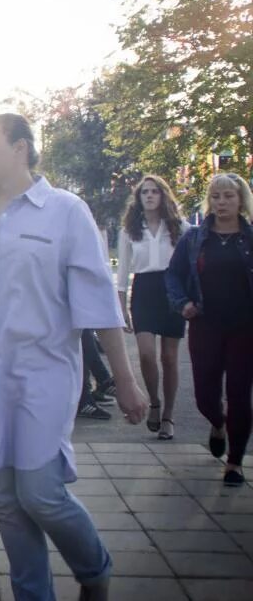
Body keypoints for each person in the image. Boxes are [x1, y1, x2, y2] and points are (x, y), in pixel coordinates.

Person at [0, 113, 146, 601]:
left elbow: (98, 303)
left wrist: (124, 379)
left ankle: (94, 568)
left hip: (43, 376)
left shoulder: (65, 212)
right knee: (7, 503)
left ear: (21, 148)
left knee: (40, 494)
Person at [165, 172, 253, 486]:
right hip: (205, 325)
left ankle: (234, 463)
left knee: (240, 394)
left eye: (228, 196)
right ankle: (218, 423)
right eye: (216, 196)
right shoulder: (194, 238)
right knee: (205, 395)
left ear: (241, 199)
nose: (221, 202)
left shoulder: (250, 237)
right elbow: (173, 275)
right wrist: (182, 302)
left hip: (244, 328)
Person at [117, 175, 189, 441]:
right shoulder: (130, 230)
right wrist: (121, 306)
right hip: (144, 291)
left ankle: (168, 415)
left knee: (169, 358)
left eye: (154, 192)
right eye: (144, 192)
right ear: (138, 198)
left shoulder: (180, 227)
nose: (149, 196)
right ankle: (154, 403)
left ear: (163, 196)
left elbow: (189, 264)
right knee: (146, 354)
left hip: (172, 290)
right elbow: (123, 272)